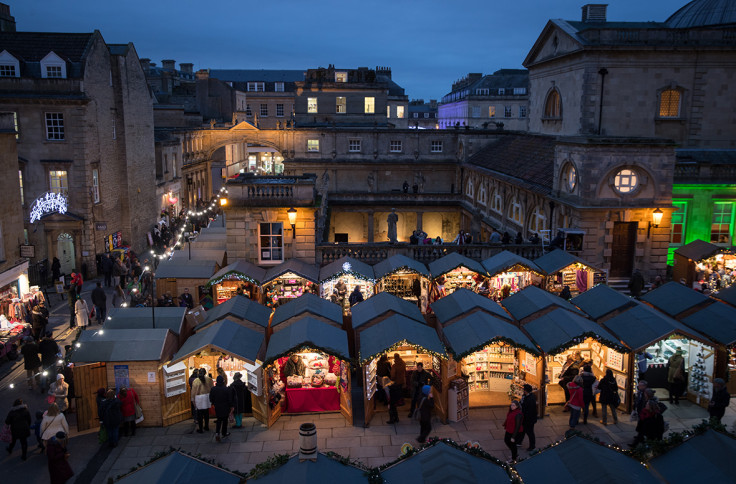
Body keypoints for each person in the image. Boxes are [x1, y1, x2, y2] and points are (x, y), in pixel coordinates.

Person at [209, 375, 234, 442]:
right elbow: (229, 399)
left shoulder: (213, 389)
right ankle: (224, 433)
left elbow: (211, 398)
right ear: (223, 381)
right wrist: (231, 406)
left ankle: (217, 433)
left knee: (219, 420)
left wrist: (214, 403)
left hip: (217, 406)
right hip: (225, 406)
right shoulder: (226, 389)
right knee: (225, 420)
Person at [191, 368, 213, 433]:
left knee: (199, 415)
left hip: (199, 398)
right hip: (207, 397)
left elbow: (193, 392)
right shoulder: (209, 379)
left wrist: (192, 400)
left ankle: (200, 429)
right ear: (205, 373)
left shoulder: (196, 381)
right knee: (206, 414)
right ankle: (206, 426)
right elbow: (212, 389)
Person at [518, 384, 538, 451]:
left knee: (530, 432)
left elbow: (530, 411)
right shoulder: (526, 396)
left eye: (524, 389)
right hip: (525, 418)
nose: (523, 391)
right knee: (523, 430)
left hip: (529, 419)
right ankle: (519, 441)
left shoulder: (530, 399)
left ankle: (532, 446)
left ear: (526, 391)